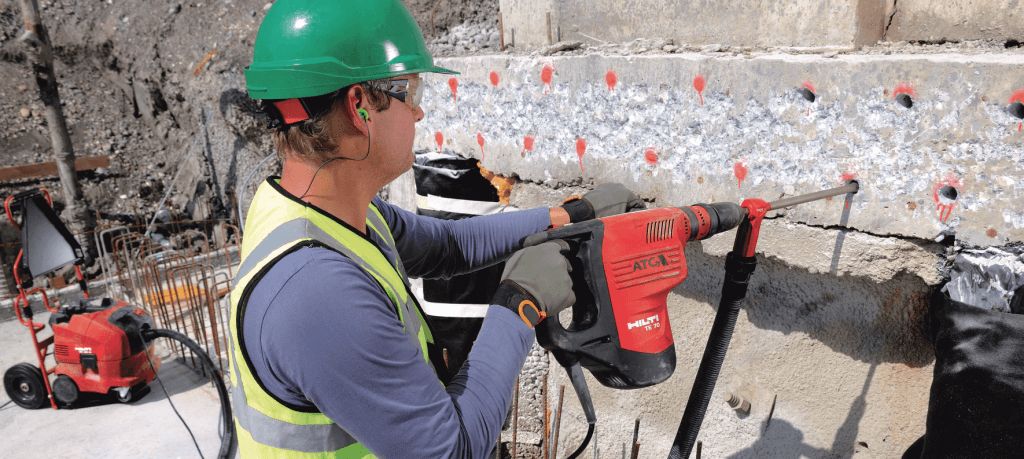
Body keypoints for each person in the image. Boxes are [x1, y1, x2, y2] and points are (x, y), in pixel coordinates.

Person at [228, 1, 645, 457]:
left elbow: (447, 246)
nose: (419, 115)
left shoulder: (326, 211)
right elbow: (454, 449)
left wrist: (569, 214)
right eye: (412, 95)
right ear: (360, 105)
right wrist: (520, 302)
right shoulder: (315, 291)